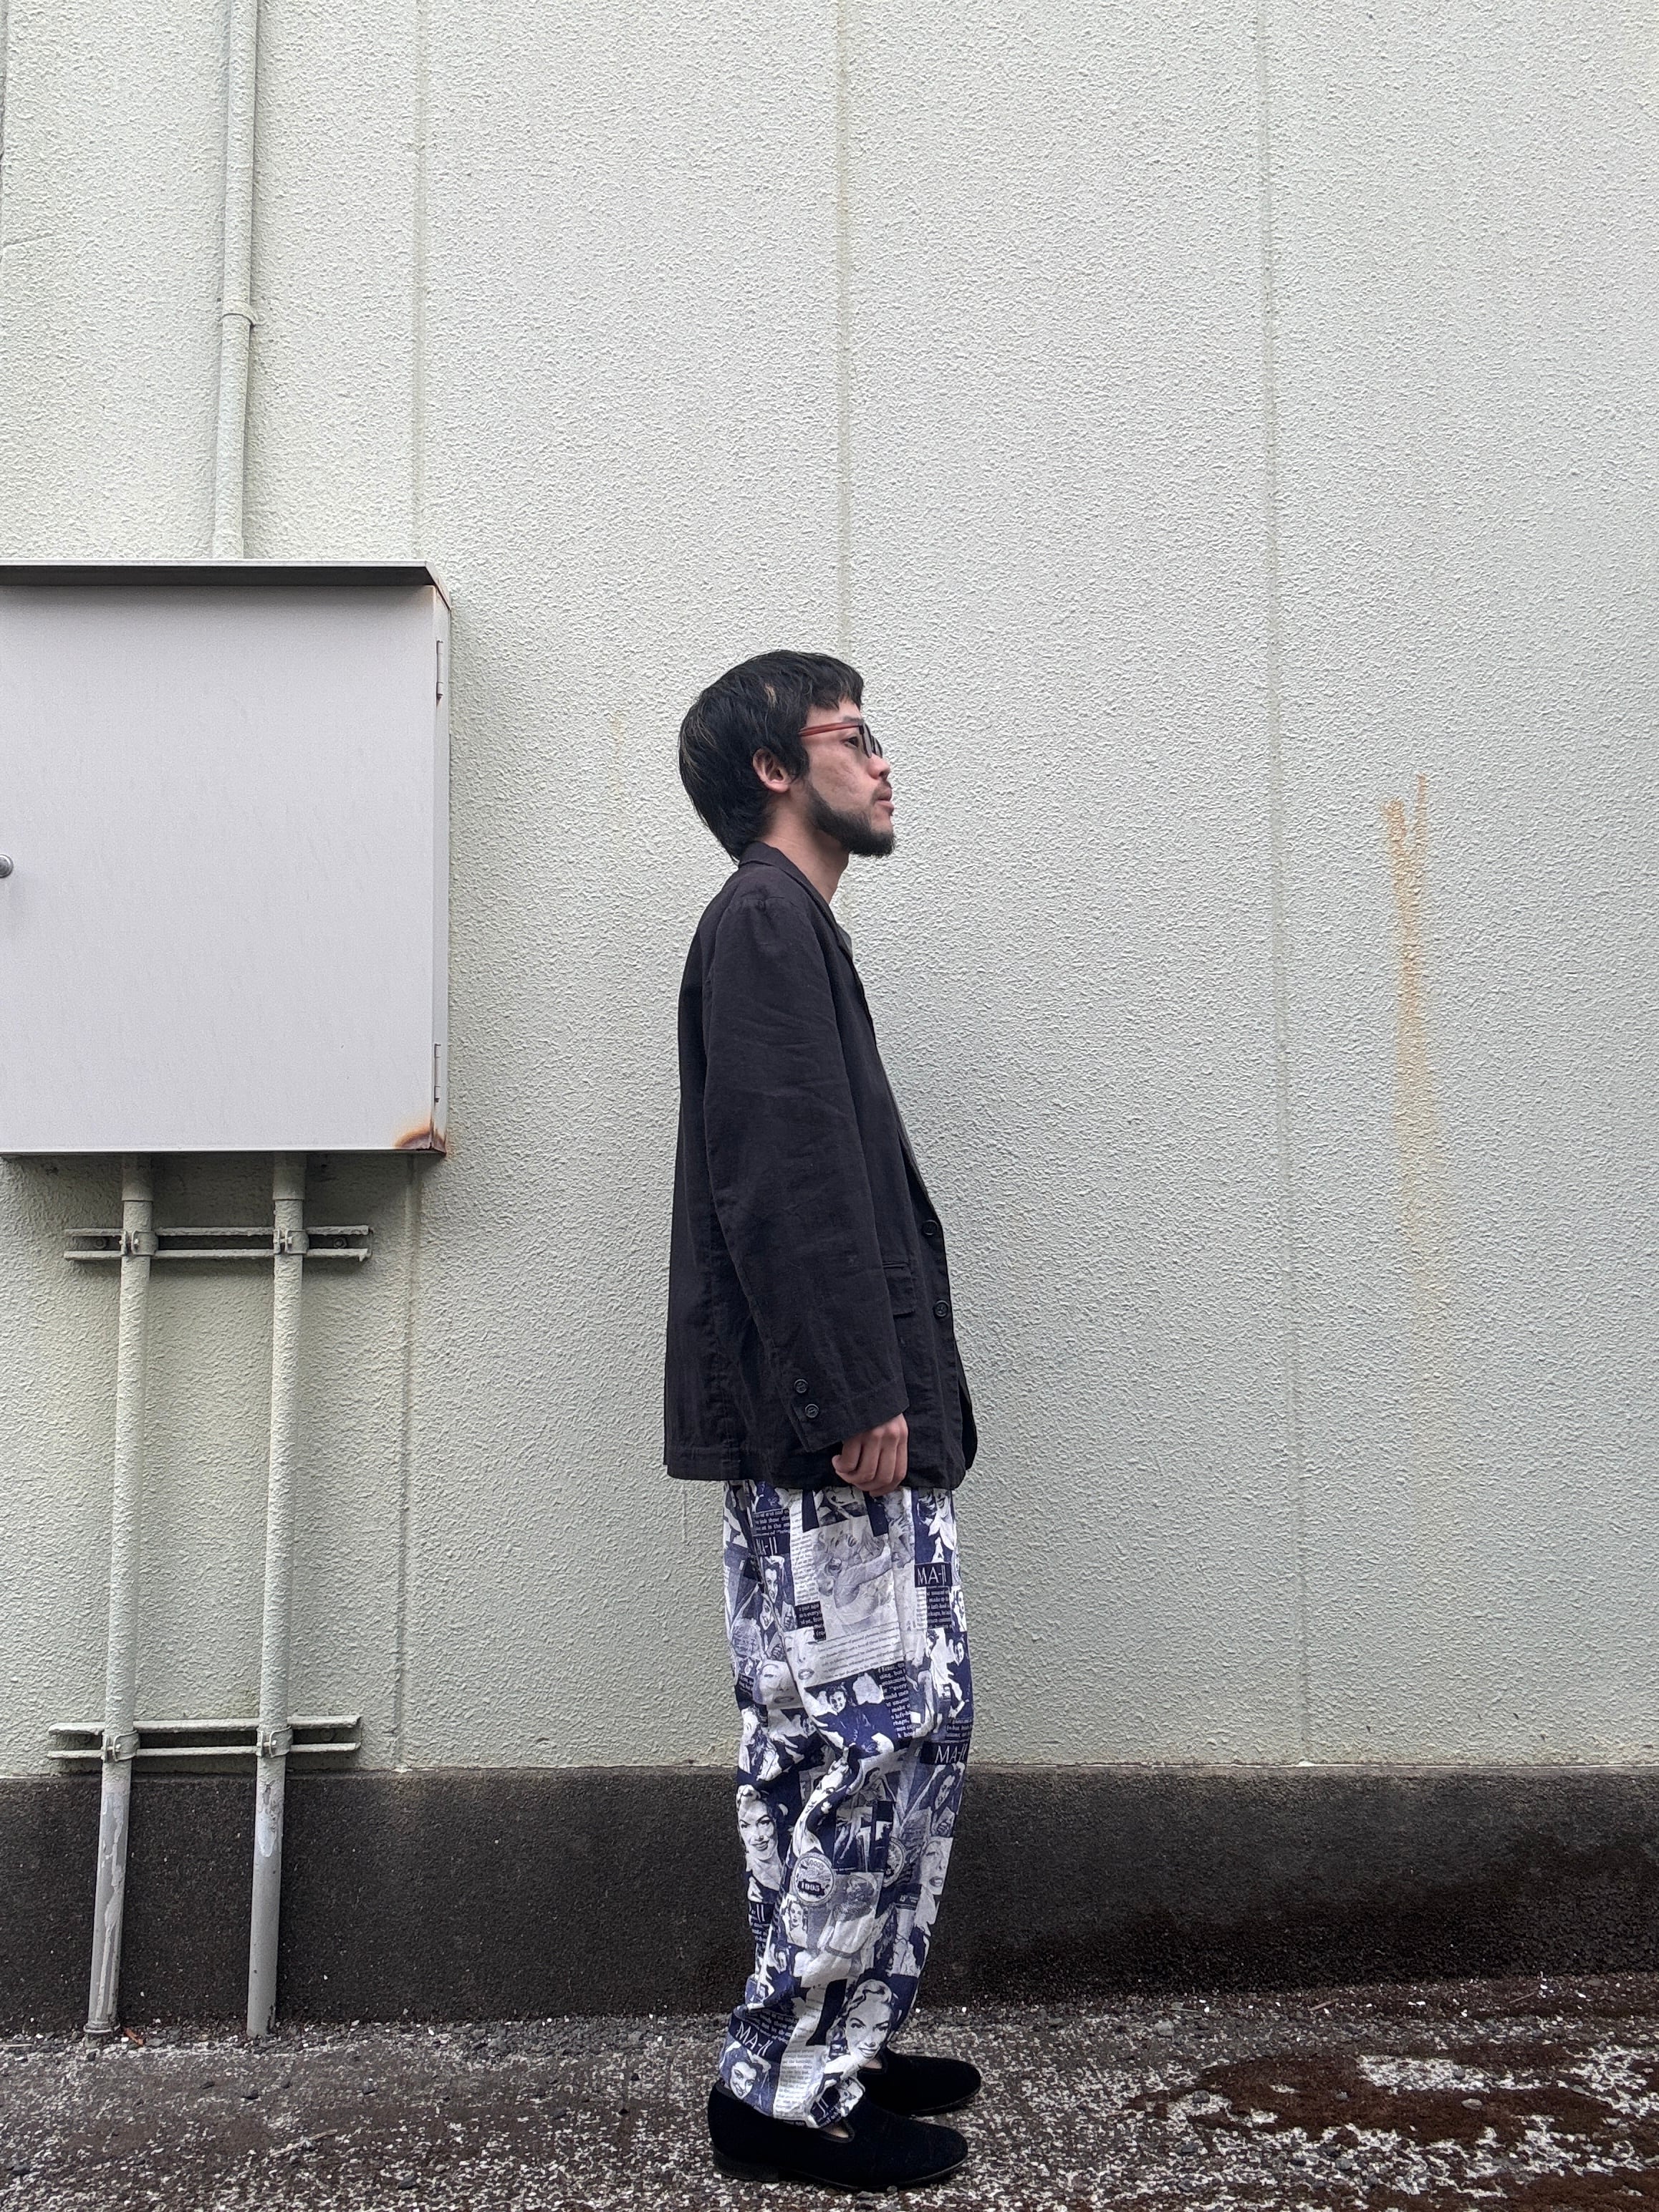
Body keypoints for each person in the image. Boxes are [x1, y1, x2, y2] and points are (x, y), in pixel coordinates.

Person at [667, 651, 981, 2193]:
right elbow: (782, 1177)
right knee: (884, 1736)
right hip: (833, 1429)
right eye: (853, 735)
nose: (882, 758)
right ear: (777, 770)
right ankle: (786, 2090)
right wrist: (855, 1392)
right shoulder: (766, 924)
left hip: (817, 1423)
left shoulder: (787, 925)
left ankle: (832, 2038)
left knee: (830, 1744)